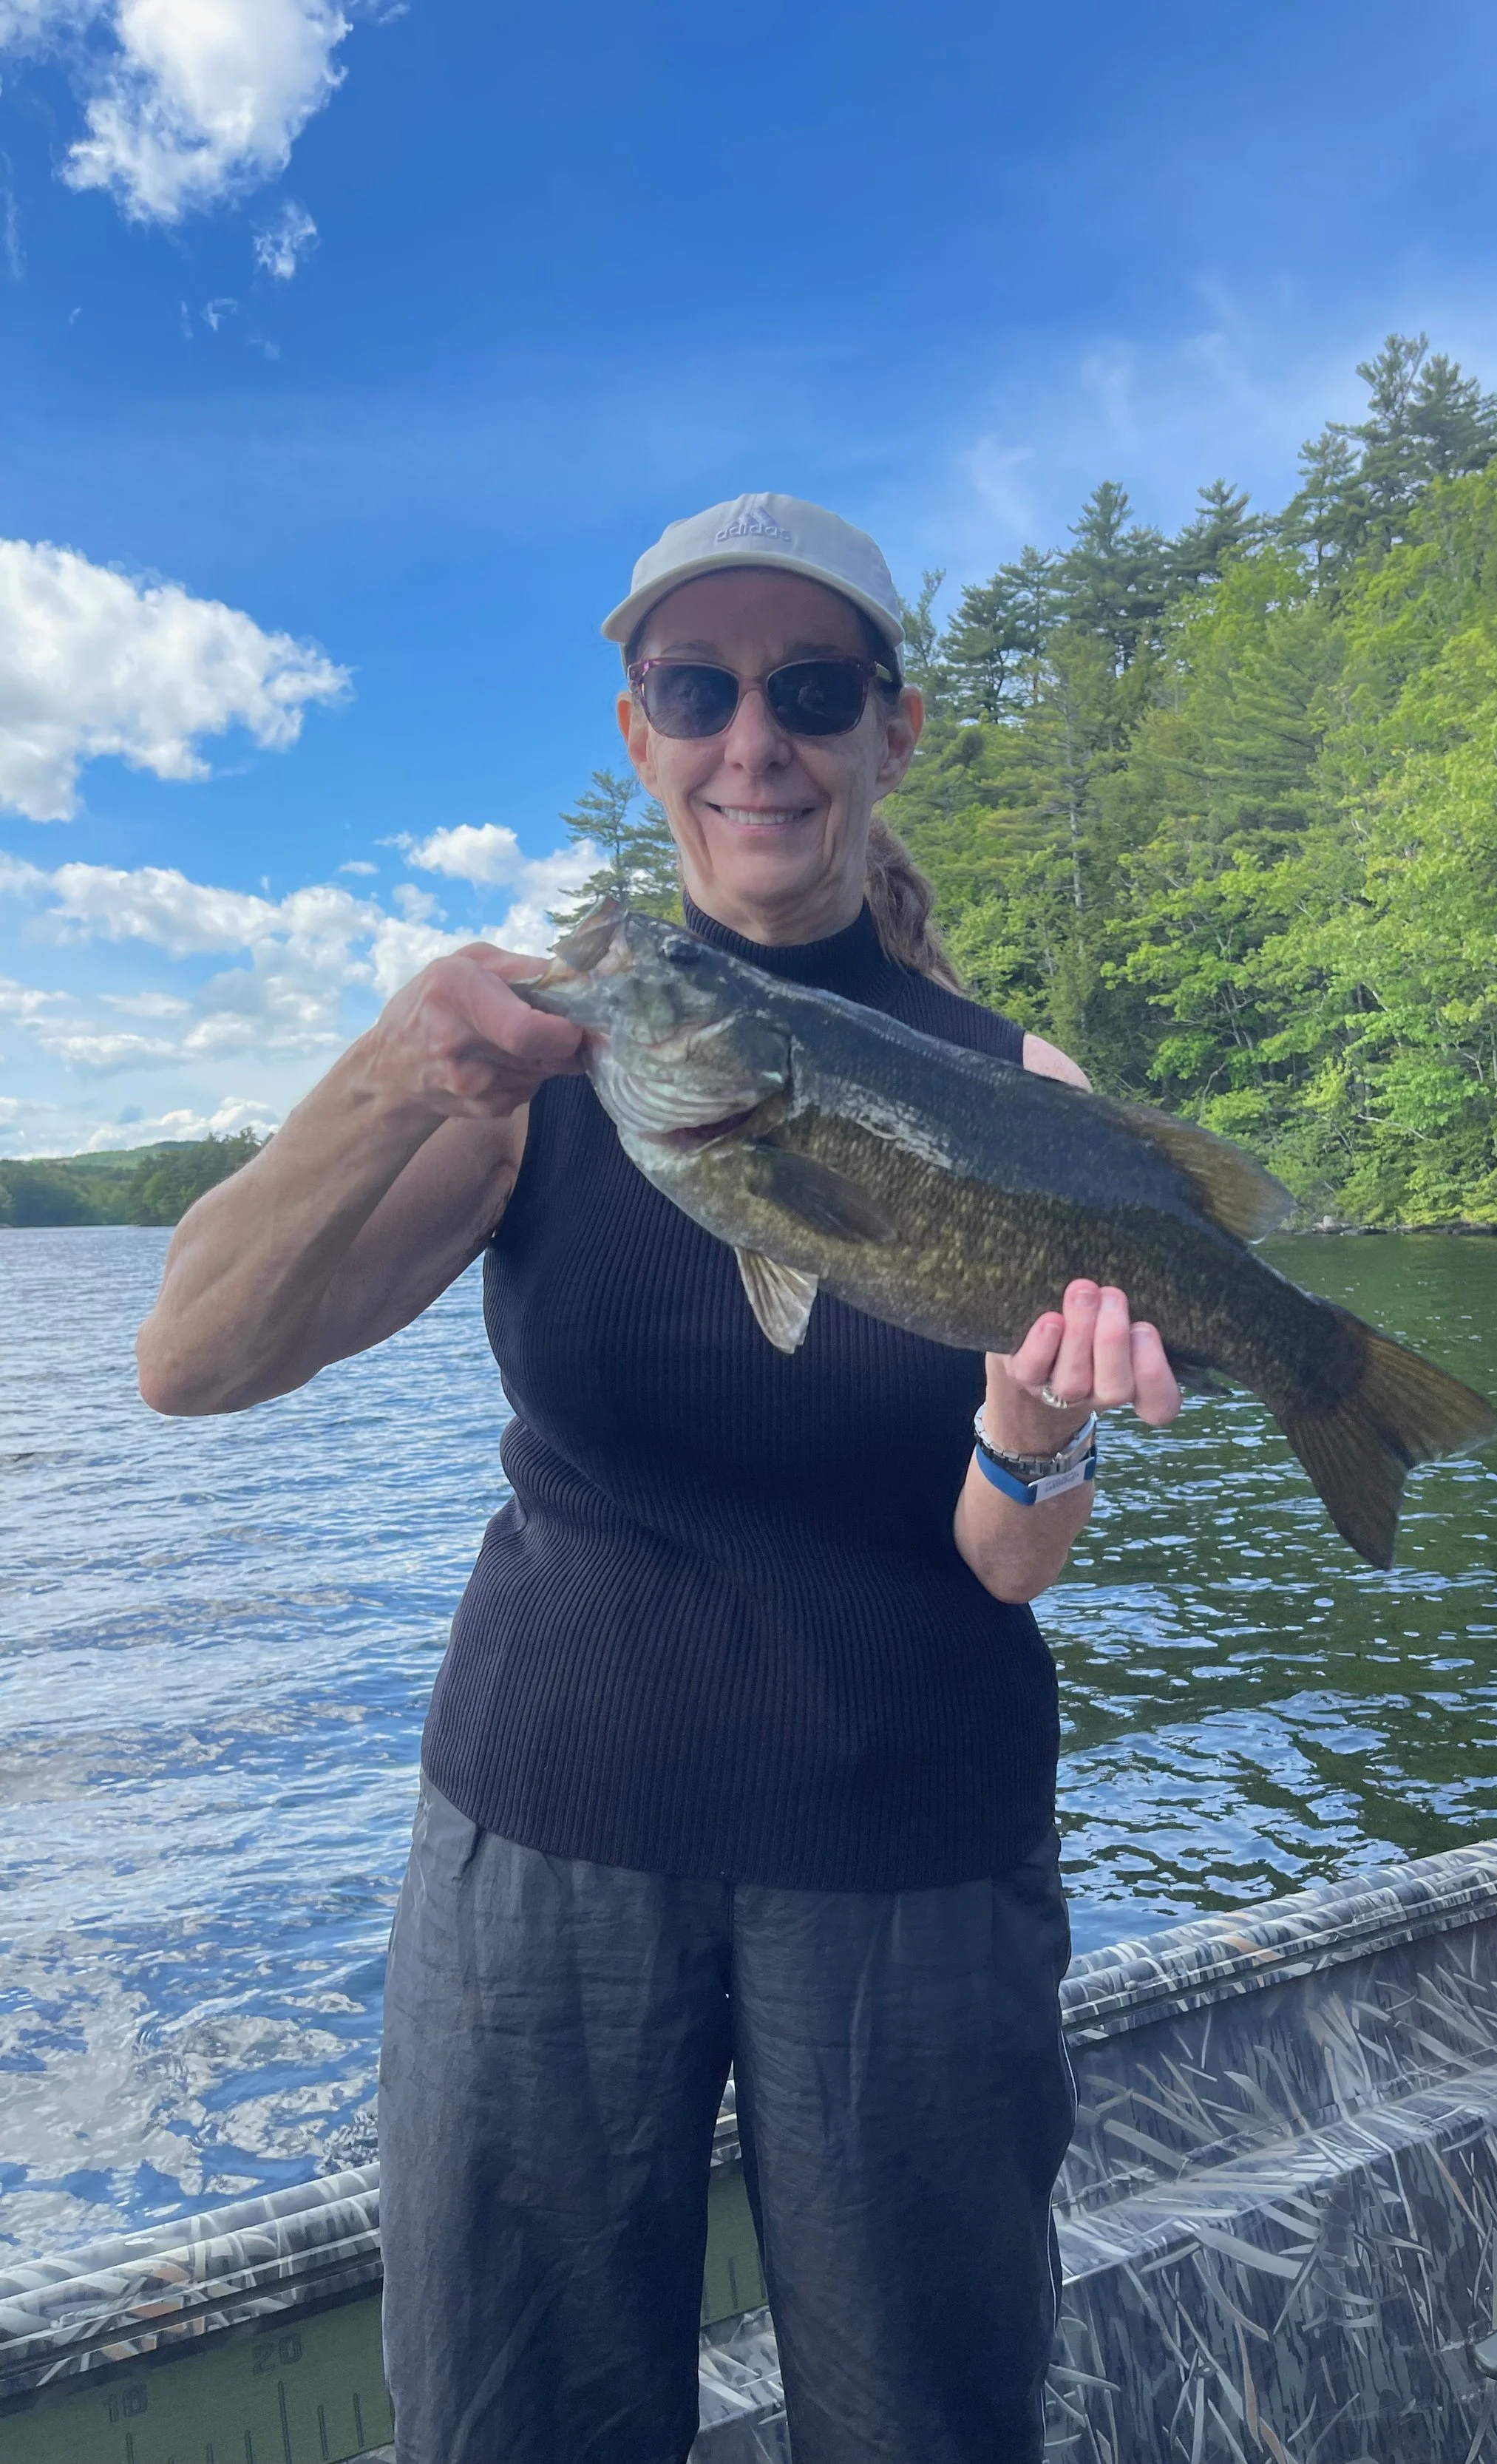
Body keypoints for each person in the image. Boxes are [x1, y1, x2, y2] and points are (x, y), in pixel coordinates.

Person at [137, 492, 1181, 2464]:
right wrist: (387, 1071)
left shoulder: (1020, 1097)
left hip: (914, 1856)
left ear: (894, 728)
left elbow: (1006, 1561)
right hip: (547, 1824)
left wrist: (1031, 1433)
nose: (751, 738)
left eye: (807, 686)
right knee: (517, 2421)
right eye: (697, 687)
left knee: (923, 2425)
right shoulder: (545, 1066)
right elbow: (190, 1358)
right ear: (638, 734)